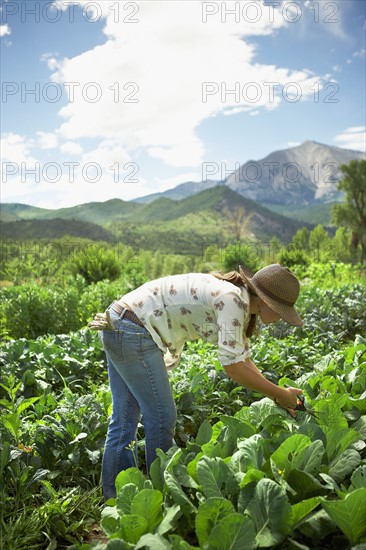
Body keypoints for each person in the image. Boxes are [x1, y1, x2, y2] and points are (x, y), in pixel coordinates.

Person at [95, 263, 303, 500]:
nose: (280, 318)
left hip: (120, 322)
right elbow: (234, 369)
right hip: (132, 329)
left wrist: (278, 393)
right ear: (266, 301)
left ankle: (115, 498)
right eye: (281, 311)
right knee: (162, 417)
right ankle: (162, 495)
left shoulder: (237, 299)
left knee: (125, 416)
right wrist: (278, 393)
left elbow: (242, 360)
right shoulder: (232, 300)